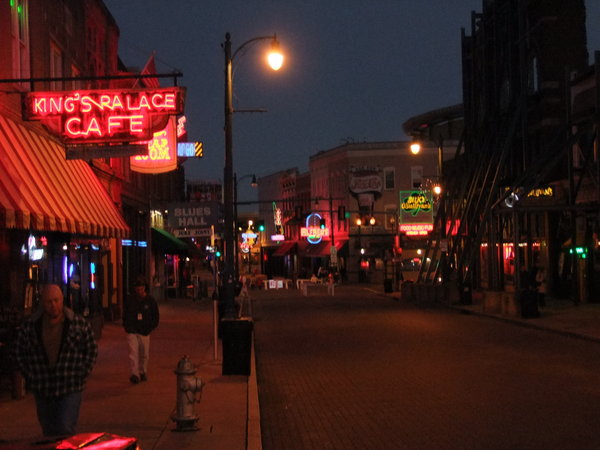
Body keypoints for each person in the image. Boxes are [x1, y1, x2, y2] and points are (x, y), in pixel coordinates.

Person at [12, 283, 97, 436]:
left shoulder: (77, 324)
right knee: (49, 432)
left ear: (62, 300)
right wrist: (30, 377)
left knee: (65, 429)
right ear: (42, 303)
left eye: (56, 300)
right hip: (43, 387)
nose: (53, 305)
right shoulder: (31, 327)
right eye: (49, 302)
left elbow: (91, 349)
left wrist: (82, 373)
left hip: (70, 386)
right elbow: (19, 352)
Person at [123, 280, 159, 384]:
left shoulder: (150, 301)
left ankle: (142, 371)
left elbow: (155, 316)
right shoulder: (131, 300)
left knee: (144, 353)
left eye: (141, 288)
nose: (139, 291)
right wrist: (127, 326)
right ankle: (135, 374)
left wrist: (150, 327)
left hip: (144, 331)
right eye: (137, 289)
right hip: (132, 330)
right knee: (133, 352)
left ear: (144, 288)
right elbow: (126, 313)